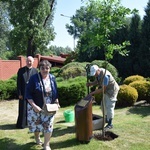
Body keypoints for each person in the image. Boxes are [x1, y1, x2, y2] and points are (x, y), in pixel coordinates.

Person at [26, 60, 60, 150]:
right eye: (42, 68)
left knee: (48, 125)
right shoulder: (34, 79)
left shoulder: (52, 78)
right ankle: (37, 137)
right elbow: (28, 94)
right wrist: (34, 106)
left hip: (49, 107)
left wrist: (57, 102)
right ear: (39, 69)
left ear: (50, 69)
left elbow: (55, 92)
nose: (45, 70)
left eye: (47, 68)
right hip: (35, 106)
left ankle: (46, 145)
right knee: (36, 125)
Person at [86, 65, 120, 130]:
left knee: (109, 106)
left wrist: (92, 93)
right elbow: (97, 81)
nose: (95, 75)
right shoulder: (98, 73)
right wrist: (91, 84)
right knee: (102, 106)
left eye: (95, 73)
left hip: (112, 91)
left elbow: (102, 89)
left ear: (98, 70)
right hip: (106, 91)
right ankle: (107, 119)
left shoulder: (105, 76)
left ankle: (110, 124)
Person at [16, 56, 38, 129]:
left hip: (32, 94)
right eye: (28, 61)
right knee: (23, 109)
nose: (29, 62)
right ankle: (21, 124)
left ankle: (31, 123)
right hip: (23, 92)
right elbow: (18, 83)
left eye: (30, 61)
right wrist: (19, 94)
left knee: (31, 109)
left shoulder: (35, 71)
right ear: (26, 62)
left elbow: (37, 83)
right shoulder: (21, 70)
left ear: (33, 62)